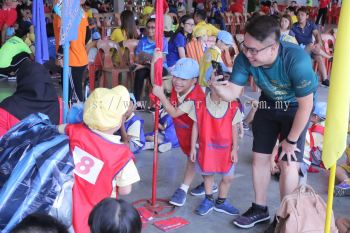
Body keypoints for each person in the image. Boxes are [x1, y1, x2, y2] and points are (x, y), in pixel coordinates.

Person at [209, 15, 318, 231]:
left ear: (273, 47)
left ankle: (286, 219)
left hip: (296, 108)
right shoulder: (245, 58)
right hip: (268, 105)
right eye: (245, 47)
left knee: (288, 163)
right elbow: (232, 92)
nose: (248, 54)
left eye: (254, 50)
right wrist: (217, 88)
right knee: (260, 158)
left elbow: (306, 106)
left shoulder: (296, 60)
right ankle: (260, 209)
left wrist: (291, 140)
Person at [58, 86, 140, 233]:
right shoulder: (122, 155)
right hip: (100, 214)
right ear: (117, 122)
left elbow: (57, 129)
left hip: (68, 204)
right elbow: (125, 190)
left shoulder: (75, 131)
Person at [152, 57, 207, 207]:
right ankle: (209, 183)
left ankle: (183, 188)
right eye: (176, 76)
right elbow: (156, 85)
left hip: (200, 135)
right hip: (183, 131)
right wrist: (154, 64)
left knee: (193, 159)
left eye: (183, 78)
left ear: (194, 80)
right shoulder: (179, 87)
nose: (177, 81)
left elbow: (175, 112)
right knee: (200, 161)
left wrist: (162, 96)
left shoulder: (196, 97)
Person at [190, 78, 242, 216]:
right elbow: (195, 126)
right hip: (207, 148)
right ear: (210, 84)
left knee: (228, 177)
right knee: (208, 174)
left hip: (226, 149)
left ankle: (221, 202)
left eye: (224, 85)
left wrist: (234, 149)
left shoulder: (233, 105)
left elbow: (234, 128)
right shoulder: (200, 104)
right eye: (217, 84)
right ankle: (208, 199)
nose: (220, 89)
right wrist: (192, 148)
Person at [0, 55, 60, 137]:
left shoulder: (7, 107)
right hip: (53, 149)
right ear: (46, 80)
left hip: (18, 149)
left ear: (22, 80)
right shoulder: (60, 104)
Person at [53, 0, 89, 103]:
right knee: (75, 93)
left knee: (72, 96)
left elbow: (63, 37)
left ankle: (73, 117)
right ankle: (73, 116)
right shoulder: (81, 12)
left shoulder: (63, 14)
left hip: (71, 60)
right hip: (81, 57)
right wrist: (79, 46)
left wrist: (59, 56)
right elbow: (88, 34)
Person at [291, 7, 331, 87]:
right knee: (310, 45)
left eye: (302, 14)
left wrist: (319, 42)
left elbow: (316, 34)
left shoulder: (311, 24)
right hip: (299, 49)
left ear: (307, 16)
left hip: (311, 49)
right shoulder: (293, 27)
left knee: (318, 57)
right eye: (298, 15)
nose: (300, 16)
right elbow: (292, 41)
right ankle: (328, 57)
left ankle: (325, 79)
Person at [133, 18, 168, 103]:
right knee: (140, 73)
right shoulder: (142, 41)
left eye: (153, 27)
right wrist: (149, 59)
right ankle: (137, 101)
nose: (150, 30)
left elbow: (162, 59)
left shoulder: (163, 41)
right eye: (148, 27)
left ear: (158, 28)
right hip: (145, 66)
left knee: (154, 72)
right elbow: (137, 59)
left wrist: (147, 58)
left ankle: (155, 102)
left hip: (160, 67)